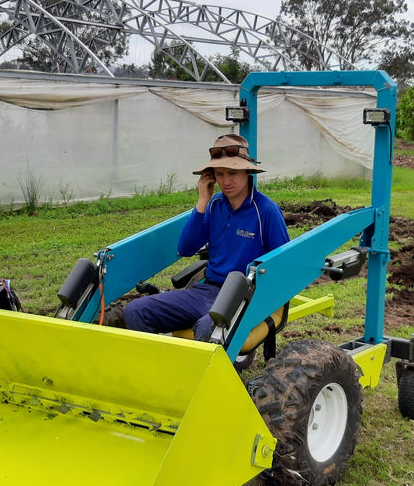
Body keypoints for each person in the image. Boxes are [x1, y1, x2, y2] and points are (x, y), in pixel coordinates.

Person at [123, 133, 290, 341]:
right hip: (207, 291)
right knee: (136, 311)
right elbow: (185, 248)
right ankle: (157, 362)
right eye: (219, 174)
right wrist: (203, 200)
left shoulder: (265, 211)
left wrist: (258, 299)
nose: (225, 181)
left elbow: (284, 265)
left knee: (207, 328)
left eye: (232, 173)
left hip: (244, 297)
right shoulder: (214, 205)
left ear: (247, 172)